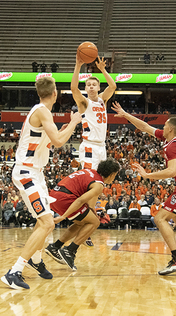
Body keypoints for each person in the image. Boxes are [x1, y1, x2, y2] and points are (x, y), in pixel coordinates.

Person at [1, 76, 81, 290]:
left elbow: (54, 138)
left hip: (36, 173)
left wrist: (67, 127)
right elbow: (58, 141)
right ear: (55, 94)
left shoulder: (43, 113)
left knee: (43, 222)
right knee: (47, 222)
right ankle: (14, 271)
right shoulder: (42, 111)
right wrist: (74, 122)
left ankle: (36, 261)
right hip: (27, 173)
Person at [112, 102, 176, 275]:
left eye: (164, 125)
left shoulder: (173, 146)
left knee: (160, 219)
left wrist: (147, 175)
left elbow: (172, 171)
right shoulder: (171, 138)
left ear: (170, 128)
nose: (162, 127)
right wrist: (125, 114)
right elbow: (145, 126)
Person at [71, 55, 116, 247]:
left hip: (101, 147)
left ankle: (89, 216)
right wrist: (77, 66)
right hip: (89, 146)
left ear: (98, 88)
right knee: (89, 185)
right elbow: (74, 88)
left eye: (93, 84)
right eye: (88, 84)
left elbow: (113, 87)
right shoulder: (84, 103)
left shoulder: (103, 101)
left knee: (99, 186)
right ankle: (82, 220)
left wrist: (103, 71)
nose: (90, 86)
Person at [45, 159, 120, 271]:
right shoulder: (99, 185)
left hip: (55, 195)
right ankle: (69, 251)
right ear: (112, 174)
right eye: (115, 175)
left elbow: (83, 193)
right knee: (95, 222)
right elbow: (80, 200)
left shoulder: (90, 172)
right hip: (65, 198)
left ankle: (55, 247)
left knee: (82, 222)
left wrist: (91, 209)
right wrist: (63, 216)